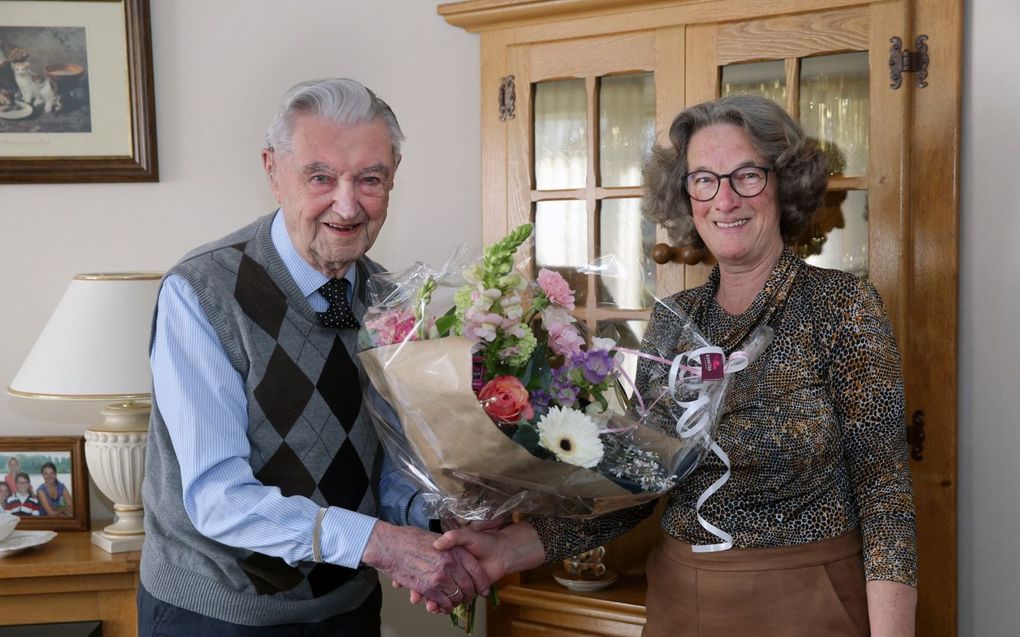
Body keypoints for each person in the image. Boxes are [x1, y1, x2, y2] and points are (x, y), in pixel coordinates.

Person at [435, 95, 918, 636]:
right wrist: (508, 550)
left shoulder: (842, 305)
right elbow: (640, 487)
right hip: (681, 602)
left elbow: (884, 493)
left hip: (809, 600)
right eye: (704, 180)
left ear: (783, 183)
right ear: (686, 196)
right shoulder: (673, 321)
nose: (725, 198)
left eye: (747, 176)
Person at [139, 78, 491, 636]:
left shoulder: (389, 300)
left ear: (393, 177)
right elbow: (218, 498)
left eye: (369, 179)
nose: (347, 205)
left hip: (348, 606)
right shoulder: (202, 290)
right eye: (320, 177)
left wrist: (440, 522)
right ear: (272, 171)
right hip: (217, 615)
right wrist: (381, 544)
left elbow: (391, 466)